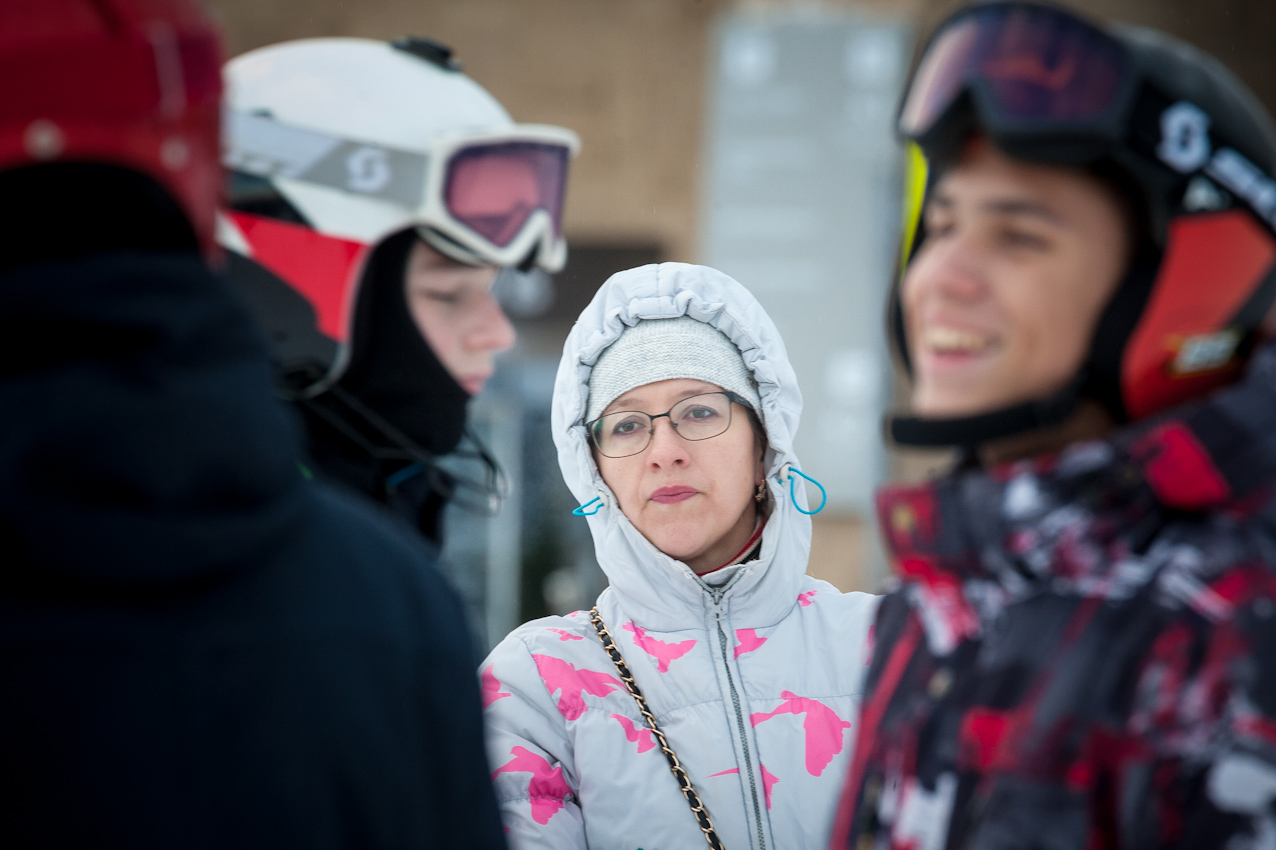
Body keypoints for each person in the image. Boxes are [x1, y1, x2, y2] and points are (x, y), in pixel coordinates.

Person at [0, 3, 505, 847]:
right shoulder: (387, 607)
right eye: (449, 292)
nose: (497, 332)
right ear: (289, 308)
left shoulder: (393, 590)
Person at [830, 4, 1276, 848]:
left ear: (1186, 286)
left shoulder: (1229, 635)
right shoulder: (934, 596)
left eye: (1019, 237)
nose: (941, 276)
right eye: (943, 225)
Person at [481, 262, 879, 849]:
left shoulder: (882, 647)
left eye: (699, 412)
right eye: (626, 425)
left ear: (764, 446)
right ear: (596, 471)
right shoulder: (535, 684)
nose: (664, 451)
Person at [220, 36, 579, 543]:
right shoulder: (208, 541)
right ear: (277, 306)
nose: (497, 334)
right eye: (446, 294)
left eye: (490, 289)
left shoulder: (381, 504)